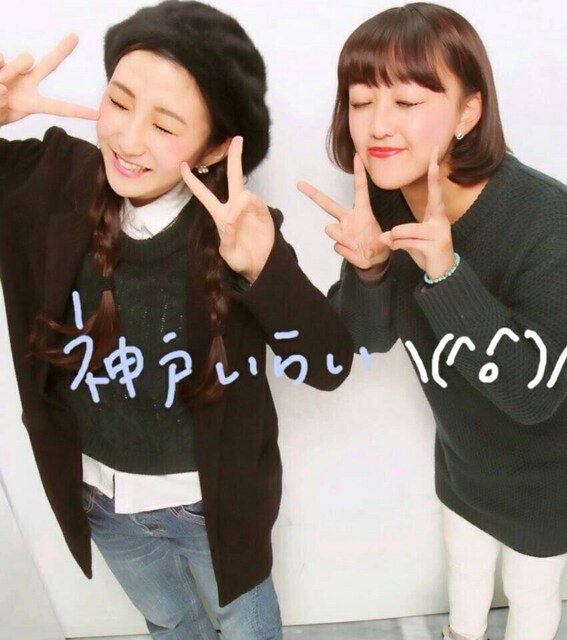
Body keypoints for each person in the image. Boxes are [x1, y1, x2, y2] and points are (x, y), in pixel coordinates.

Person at [0, 2, 353, 639]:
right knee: (168, 623)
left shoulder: (237, 232)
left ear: (215, 146)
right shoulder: (52, 179)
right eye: (119, 101)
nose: (129, 139)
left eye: (165, 124)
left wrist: (264, 268)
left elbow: (328, 366)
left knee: (247, 624)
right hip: (99, 501)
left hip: (208, 506)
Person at [298, 4, 567, 640]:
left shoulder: (546, 213)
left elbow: (534, 394)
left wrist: (445, 271)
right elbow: (369, 339)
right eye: (361, 101)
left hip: (550, 459)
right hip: (466, 446)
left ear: (468, 112)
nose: (376, 125)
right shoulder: (386, 198)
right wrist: (368, 271)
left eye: (407, 101)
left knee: (528, 590)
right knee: (465, 569)